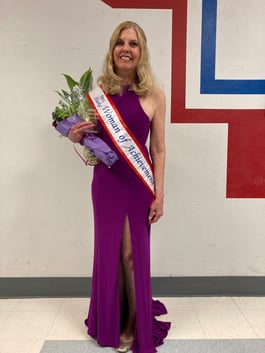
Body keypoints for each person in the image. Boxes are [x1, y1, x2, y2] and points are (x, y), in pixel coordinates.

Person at [68, 21, 170, 353]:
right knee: (110, 253)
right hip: (107, 185)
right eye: (120, 42)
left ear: (142, 52)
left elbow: (158, 149)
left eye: (134, 43)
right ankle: (110, 319)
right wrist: (74, 133)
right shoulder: (98, 92)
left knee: (130, 256)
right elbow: (91, 140)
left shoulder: (155, 95)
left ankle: (131, 323)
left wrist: (159, 193)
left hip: (139, 186)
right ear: (113, 50)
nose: (126, 48)